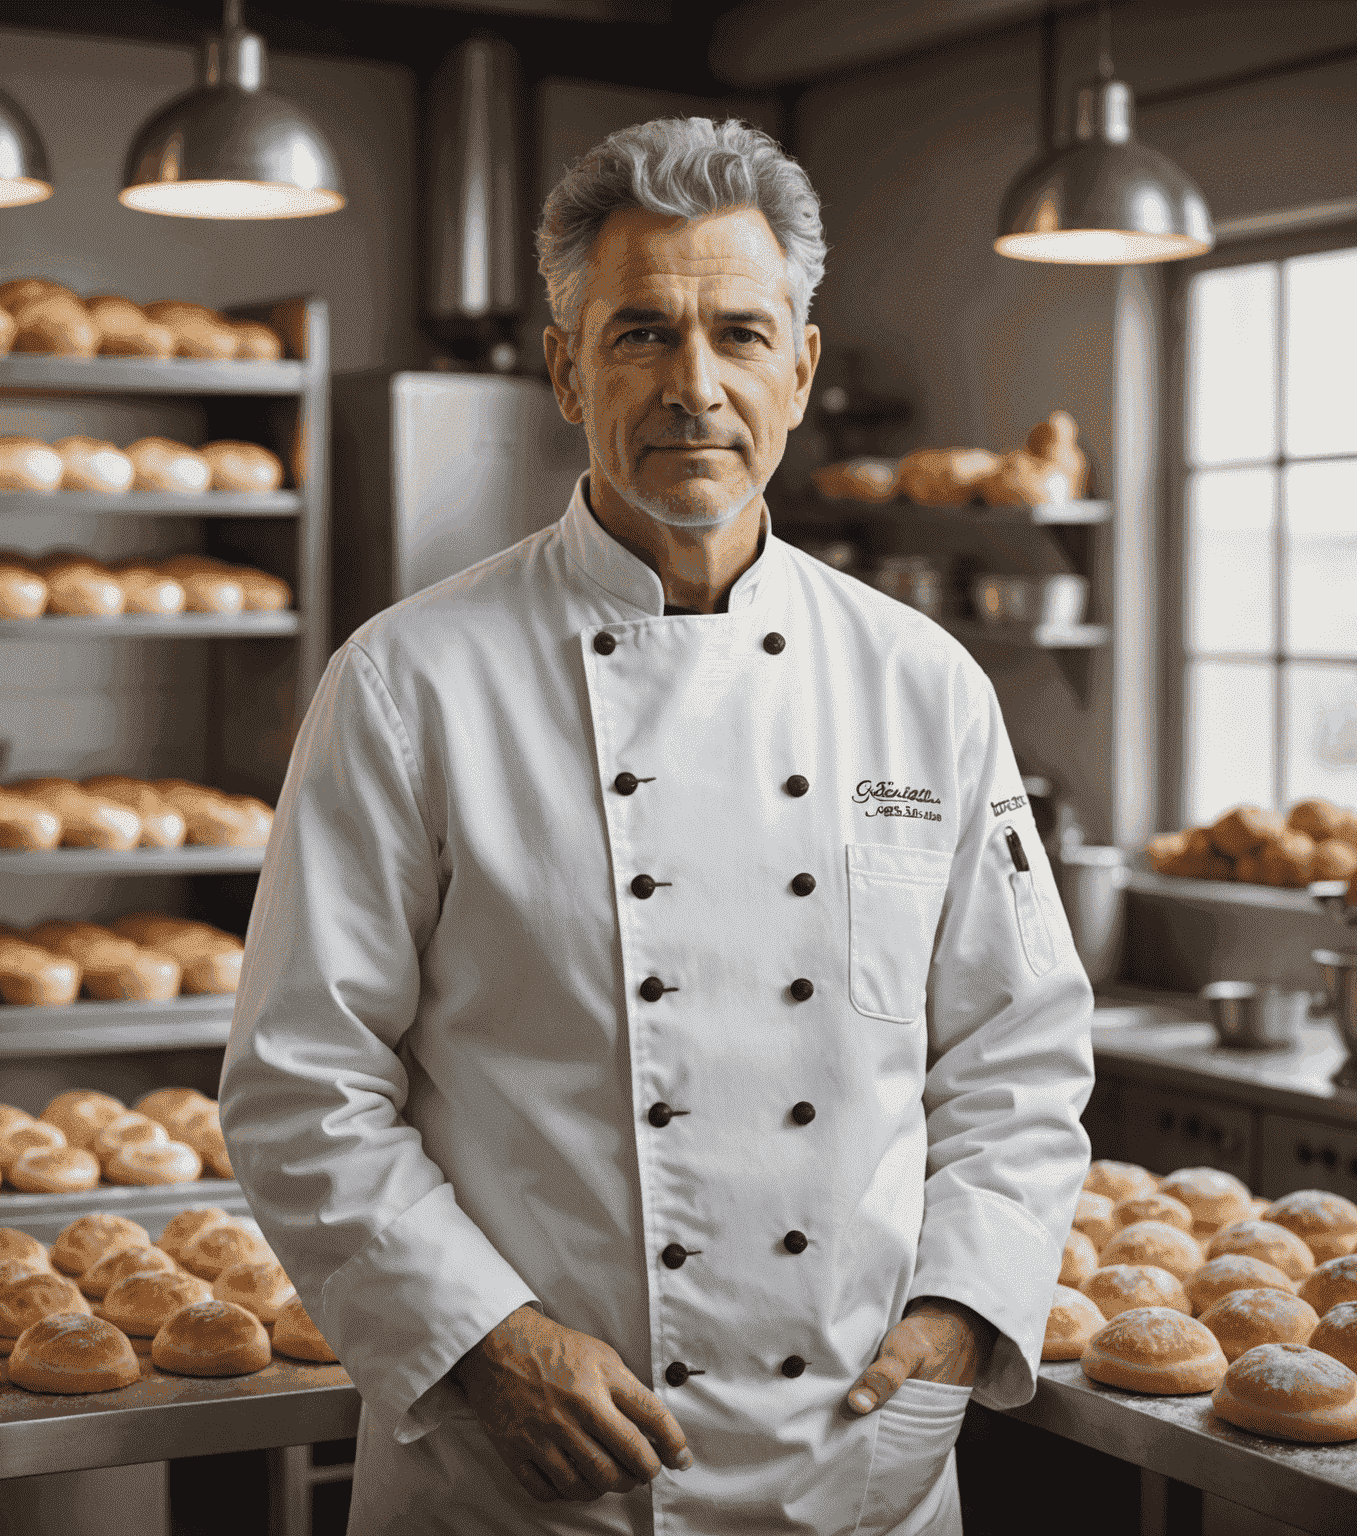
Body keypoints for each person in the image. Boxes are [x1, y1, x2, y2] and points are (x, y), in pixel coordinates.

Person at [220, 115, 1095, 1536]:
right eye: (641, 335)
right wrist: (487, 1341)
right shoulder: (409, 683)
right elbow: (300, 1080)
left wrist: (960, 1308)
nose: (696, 388)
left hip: (858, 1464)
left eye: (741, 335)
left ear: (799, 372)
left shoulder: (922, 682)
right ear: (566, 372)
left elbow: (1019, 1053)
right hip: (529, 1484)